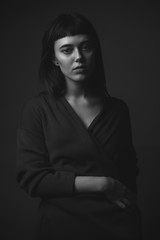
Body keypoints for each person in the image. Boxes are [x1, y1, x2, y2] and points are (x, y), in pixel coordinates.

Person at [16, 12, 142, 240]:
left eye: (86, 47)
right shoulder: (37, 109)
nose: (79, 57)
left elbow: (128, 172)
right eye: (67, 50)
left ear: (96, 51)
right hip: (60, 228)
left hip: (119, 227)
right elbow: (32, 179)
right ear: (54, 58)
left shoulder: (118, 110)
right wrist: (102, 184)